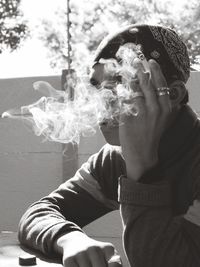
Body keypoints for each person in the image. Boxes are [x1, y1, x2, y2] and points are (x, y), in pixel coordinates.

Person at [18, 24, 200, 267]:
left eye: (119, 85)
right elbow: (42, 210)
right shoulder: (114, 158)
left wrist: (142, 169)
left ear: (173, 94)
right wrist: (70, 239)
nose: (102, 103)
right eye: (97, 87)